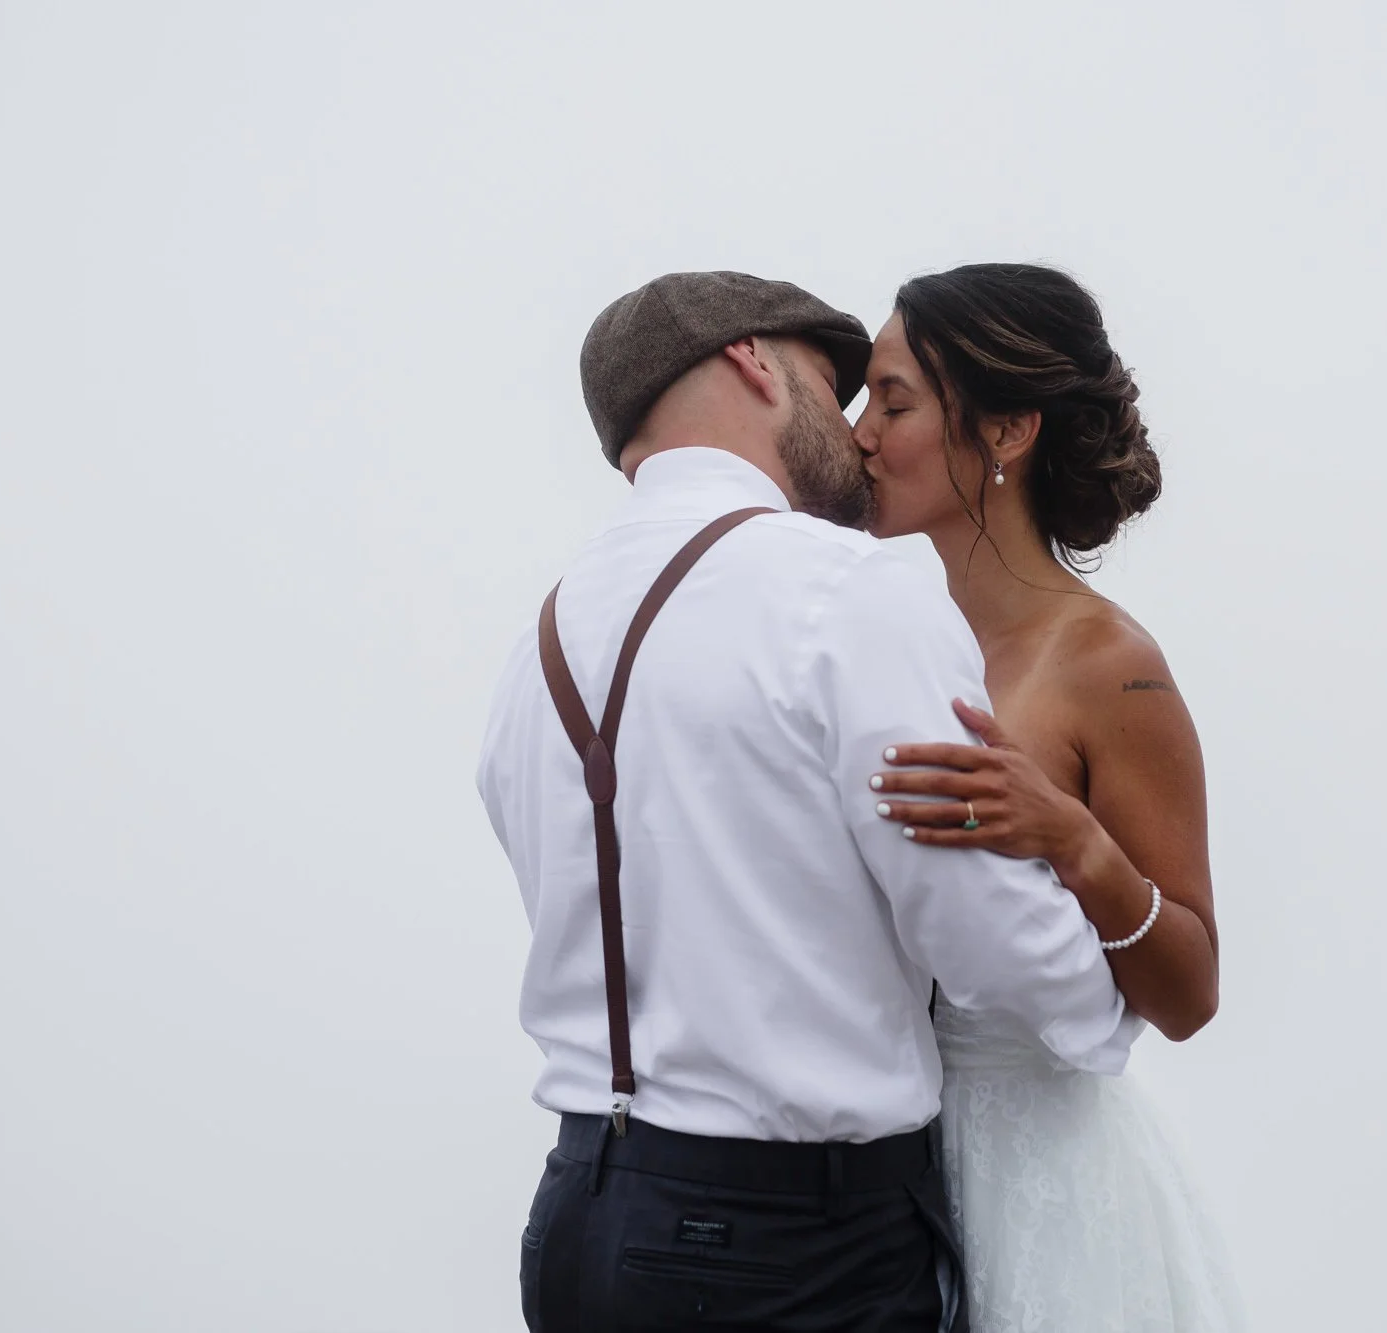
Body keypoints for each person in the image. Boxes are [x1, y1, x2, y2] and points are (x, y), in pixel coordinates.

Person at [476, 271, 1144, 1332]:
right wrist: (1100, 1012)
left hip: (575, 1226)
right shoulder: (848, 589)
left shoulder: (543, 635)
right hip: (790, 1245)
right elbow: (978, 928)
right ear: (753, 362)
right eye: (836, 388)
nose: (853, 429)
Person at [851, 263, 1247, 1331]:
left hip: (1049, 1194)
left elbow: (1191, 994)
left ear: (1006, 431)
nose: (857, 434)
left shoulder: (1111, 667)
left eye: (891, 401)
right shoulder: (865, 642)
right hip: (861, 1188)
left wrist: (1075, 841)